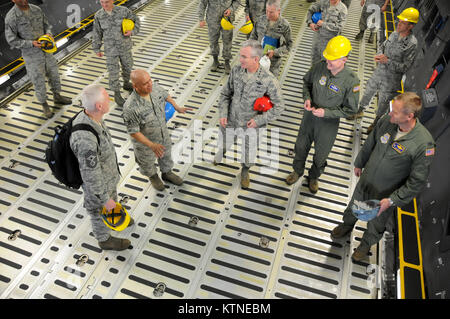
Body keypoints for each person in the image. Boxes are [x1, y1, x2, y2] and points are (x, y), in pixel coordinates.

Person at [331, 92, 435, 261]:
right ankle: (347, 225)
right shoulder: (388, 121)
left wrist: (393, 200)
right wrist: (360, 163)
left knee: (376, 223)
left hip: (385, 195)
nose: (390, 113)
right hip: (367, 180)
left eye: (395, 111)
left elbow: (416, 182)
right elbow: (371, 142)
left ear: (409, 116)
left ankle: (365, 244)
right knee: (354, 206)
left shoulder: (424, 144)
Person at [286, 36, 360, 193]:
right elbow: (306, 83)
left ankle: (313, 177)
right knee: (300, 147)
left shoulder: (351, 81)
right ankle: (297, 171)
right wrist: (307, 98)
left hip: (328, 123)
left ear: (344, 59)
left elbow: (351, 109)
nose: (328, 62)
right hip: (309, 117)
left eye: (332, 59)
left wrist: (326, 112)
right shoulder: (320, 66)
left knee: (321, 155)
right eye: (327, 58)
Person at [215, 39, 285, 188]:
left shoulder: (268, 80)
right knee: (225, 139)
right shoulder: (236, 71)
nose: (240, 60)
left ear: (256, 59)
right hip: (231, 119)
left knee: (249, 151)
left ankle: (245, 171)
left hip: (252, 125)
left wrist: (259, 121)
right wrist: (223, 113)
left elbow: (279, 106)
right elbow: (225, 94)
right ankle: (222, 151)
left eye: (244, 57)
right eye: (240, 56)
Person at [70, 84, 132, 251]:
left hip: (107, 179)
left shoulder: (94, 117)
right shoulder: (85, 139)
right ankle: (104, 239)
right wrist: (105, 200)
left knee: (111, 200)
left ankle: (113, 217)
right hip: (97, 187)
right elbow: (90, 175)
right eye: (107, 98)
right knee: (98, 211)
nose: (110, 100)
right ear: (99, 106)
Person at [353, 8, 419, 132]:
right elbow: (383, 46)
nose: (398, 24)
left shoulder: (412, 44)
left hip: (391, 79)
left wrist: (387, 61)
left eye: (403, 23)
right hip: (379, 72)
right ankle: (360, 111)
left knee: (383, 102)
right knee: (368, 91)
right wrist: (379, 55)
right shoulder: (395, 33)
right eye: (399, 21)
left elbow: (406, 67)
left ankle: (375, 122)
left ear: (411, 26)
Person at [122, 69, 189, 191]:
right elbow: (133, 132)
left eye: (150, 80)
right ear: (135, 86)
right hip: (145, 144)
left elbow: (165, 95)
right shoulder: (130, 107)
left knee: (166, 155)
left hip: (162, 134)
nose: (150, 84)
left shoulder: (155, 88)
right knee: (147, 162)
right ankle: (153, 177)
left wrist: (177, 107)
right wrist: (151, 145)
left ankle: (167, 173)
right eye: (145, 83)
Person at [4, 0, 72, 119]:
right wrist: (31, 43)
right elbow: (12, 40)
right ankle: (44, 105)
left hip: (47, 51)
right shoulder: (11, 17)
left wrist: (49, 34)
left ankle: (57, 96)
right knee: (38, 80)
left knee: (54, 74)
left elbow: (46, 25)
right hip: (32, 56)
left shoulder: (36, 9)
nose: (23, 0)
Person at [92, 0, 140, 106]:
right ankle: (117, 94)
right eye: (102, 2)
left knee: (128, 66)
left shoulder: (123, 11)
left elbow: (136, 20)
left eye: (107, 2)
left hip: (124, 46)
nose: (104, 5)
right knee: (113, 72)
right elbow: (97, 32)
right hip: (110, 49)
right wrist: (97, 48)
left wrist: (132, 32)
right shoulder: (99, 15)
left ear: (112, 1)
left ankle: (127, 83)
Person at [249, 0, 292, 77]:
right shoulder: (260, 20)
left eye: (271, 12)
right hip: (257, 61)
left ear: (278, 11)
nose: (268, 14)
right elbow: (253, 37)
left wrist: (275, 52)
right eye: (267, 11)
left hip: (273, 66)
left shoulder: (285, 26)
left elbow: (289, 46)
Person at [198, 0, 240, 74]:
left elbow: (237, 1)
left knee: (227, 40)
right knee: (213, 40)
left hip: (227, 19)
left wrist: (231, 9)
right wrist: (201, 18)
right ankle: (215, 60)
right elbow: (202, 3)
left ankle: (227, 62)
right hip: (213, 19)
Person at [306, 0, 348, 65]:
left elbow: (340, 27)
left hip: (329, 42)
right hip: (317, 39)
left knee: (326, 63)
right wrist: (310, 23)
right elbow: (310, 10)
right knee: (314, 59)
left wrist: (323, 24)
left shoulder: (342, 9)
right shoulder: (322, 3)